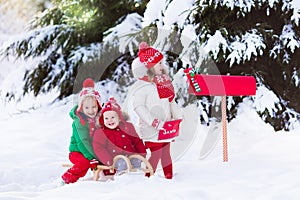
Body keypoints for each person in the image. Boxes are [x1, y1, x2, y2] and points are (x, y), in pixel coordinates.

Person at [125, 42, 183, 179]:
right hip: (151, 128)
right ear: (148, 68)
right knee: (156, 153)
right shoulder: (142, 87)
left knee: (166, 153)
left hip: (166, 126)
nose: (162, 67)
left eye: (162, 63)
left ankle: (169, 177)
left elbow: (170, 102)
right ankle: (148, 177)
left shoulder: (164, 83)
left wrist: (177, 116)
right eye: (159, 64)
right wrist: (154, 122)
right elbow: (139, 107)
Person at [61, 78, 102, 184]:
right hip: (78, 151)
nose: (91, 110)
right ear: (81, 108)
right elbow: (83, 142)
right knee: (84, 163)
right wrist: (92, 158)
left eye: (94, 107)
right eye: (87, 107)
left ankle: (107, 176)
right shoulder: (79, 122)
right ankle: (67, 179)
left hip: (91, 152)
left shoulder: (99, 119)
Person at [92, 97, 147, 174]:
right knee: (122, 163)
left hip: (131, 154)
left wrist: (142, 153)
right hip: (114, 158)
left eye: (113, 117)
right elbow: (98, 147)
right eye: (106, 118)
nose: (109, 120)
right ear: (102, 119)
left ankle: (136, 176)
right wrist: (108, 160)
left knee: (136, 160)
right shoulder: (101, 132)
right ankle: (122, 178)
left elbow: (136, 140)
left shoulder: (128, 127)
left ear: (120, 118)